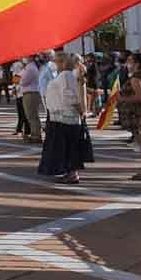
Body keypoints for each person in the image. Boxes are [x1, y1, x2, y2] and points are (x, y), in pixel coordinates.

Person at [38, 53, 90, 184]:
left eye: (56, 61)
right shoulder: (67, 76)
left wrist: (81, 112)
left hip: (65, 118)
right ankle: (70, 172)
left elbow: (69, 96)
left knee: (68, 147)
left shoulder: (65, 76)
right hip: (62, 117)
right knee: (67, 147)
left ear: (62, 63)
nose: (53, 64)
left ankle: (72, 174)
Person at [118, 52, 141, 181]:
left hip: (137, 113)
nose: (128, 64)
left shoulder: (136, 78)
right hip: (140, 112)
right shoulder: (140, 76)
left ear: (137, 64)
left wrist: (122, 98)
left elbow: (140, 97)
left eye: (130, 61)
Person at [19, 55, 43, 143]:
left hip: (30, 94)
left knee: (32, 116)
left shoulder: (30, 68)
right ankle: (35, 134)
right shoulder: (28, 67)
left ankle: (36, 135)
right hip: (30, 93)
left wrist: (18, 77)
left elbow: (22, 81)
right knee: (31, 115)